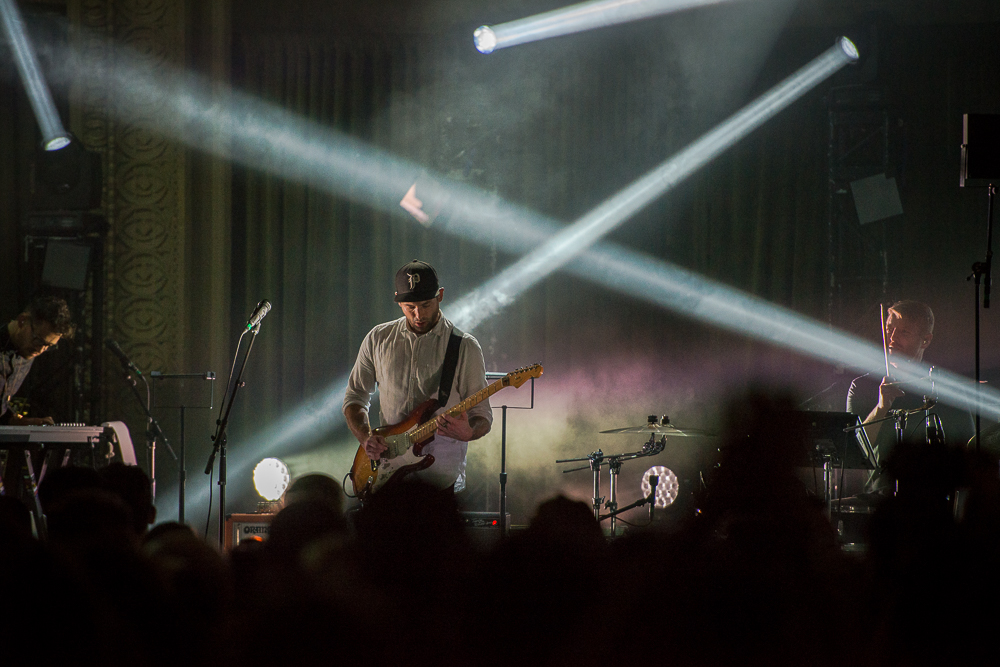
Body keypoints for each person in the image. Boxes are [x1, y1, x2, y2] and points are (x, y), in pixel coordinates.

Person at [343, 259, 492, 492]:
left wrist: (470, 431)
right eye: (409, 306)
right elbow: (355, 398)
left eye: (426, 305)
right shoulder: (378, 338)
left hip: (439, 479)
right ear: (398, 300)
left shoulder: (465, 346)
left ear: (440, 295)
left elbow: (482, 415)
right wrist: (366, 437)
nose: (418, 314)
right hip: (387, 473)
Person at [846, 300, 971, 494]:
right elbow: (853, 452)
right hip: (879, 501)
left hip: (935, 502)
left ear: (926, 340)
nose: (892, 338)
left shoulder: (947, 389)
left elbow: (970, 450)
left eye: (904, 332)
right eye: (889, 329)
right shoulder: (862, 385)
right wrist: (881, 407)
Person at [1, 295, 74, 425]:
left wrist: (28, 422)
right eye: (38, 340)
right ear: (22, 321)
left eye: (48, 346)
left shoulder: (27, 352)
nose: (41, 350)